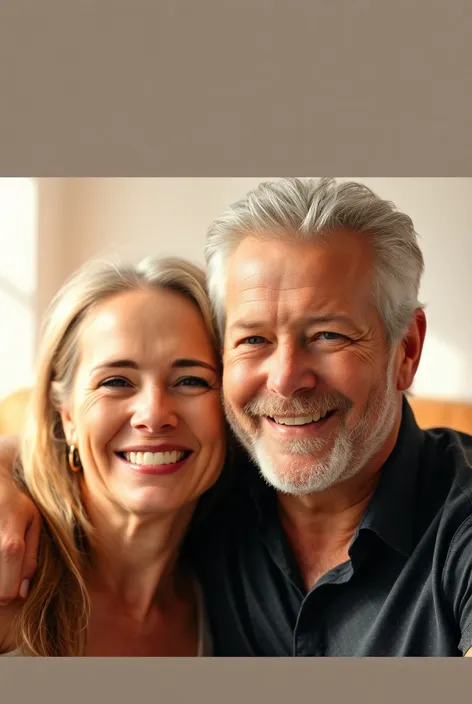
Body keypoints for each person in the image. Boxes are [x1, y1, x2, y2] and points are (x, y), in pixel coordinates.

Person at [2, 177, 472, 656]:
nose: (285, 380)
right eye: (253, 339)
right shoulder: (221, 483)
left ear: (407, 349)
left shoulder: (459, 521)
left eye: (329, 334)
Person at [0, 256, 227, 655]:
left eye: (191, 380)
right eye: (116, 381)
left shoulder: (235, 602)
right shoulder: (11, 581)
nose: (155, 415)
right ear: (67, 415)